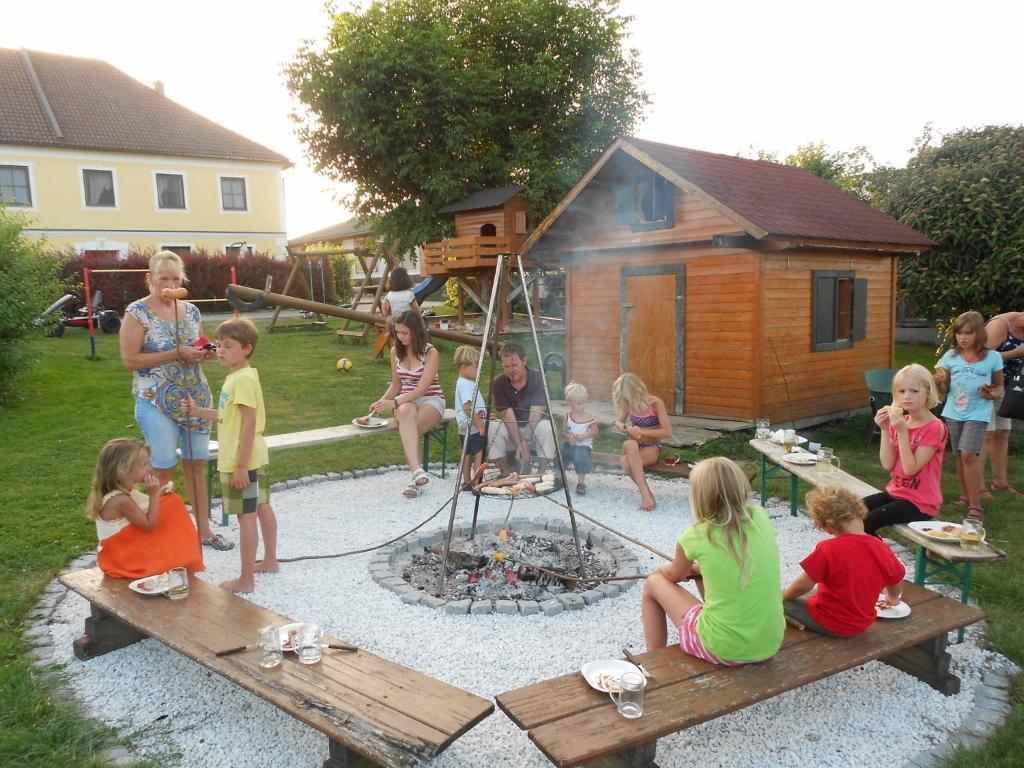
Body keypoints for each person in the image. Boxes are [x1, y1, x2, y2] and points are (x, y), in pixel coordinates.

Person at [119, 250, 233, 551]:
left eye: (175, 278)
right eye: (163, 278)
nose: (169, 283)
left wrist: (206, 350)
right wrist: (176, 353)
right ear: (150, 279)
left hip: (194, 397)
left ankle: (204, 532)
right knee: (163, 468)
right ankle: (160, 530)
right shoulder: (137, 312)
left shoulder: (191, 310)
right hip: (155, 400)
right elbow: (130, 359)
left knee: (196, 465)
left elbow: (198, 342)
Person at [641, 457, 785, 664]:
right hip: (770, 642)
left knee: (653, 584)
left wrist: (660, 570)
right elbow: (734, 558)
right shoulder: (759, 516)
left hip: (724, 649)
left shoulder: (696, 535)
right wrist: (697, 569)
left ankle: (651, 662)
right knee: (701, 572)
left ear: (699, 497)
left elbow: (674, 575)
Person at [184, 318, 278, 593]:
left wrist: (239, 466)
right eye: (220, 345)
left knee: (245, 516)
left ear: (247, 349)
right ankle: (269, 561)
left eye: (228, 346)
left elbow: (248, 424)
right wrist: (199, 412)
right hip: (253, 456)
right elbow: (229, 417)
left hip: (242, 459)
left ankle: (246, 579)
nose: (220, 351)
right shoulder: (239, 377)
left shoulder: (243, 380)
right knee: (261, 507)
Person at [783, 486, 905, 637]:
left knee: (777, 599)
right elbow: (895, 580)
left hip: (830, 622)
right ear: (861, 511)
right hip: (862, 623)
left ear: (826, 527)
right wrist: (892, 598)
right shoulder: (881, 547)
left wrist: (782, 596)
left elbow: (803, 585)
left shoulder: (828, 549)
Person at [87, 438, 204, 579]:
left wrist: (159, 494)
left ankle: (180, 556)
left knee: (171, 502)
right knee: (173, 506)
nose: (149, 468)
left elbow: (144, 509)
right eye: (143, 465)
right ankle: (181, 557)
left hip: (123, 550)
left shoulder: (122, 492)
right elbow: (150, 525)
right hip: (122, 560)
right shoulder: (120, 500)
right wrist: (153, 494)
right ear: (123, 469)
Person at [935, 311, 1004, 520]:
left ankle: (976, 506)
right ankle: (966, 496)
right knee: (959, 455)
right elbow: (945, 388)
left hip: (978, 412)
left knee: (967, 454)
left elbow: (999, 385)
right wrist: (940, 382)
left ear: (979, 334)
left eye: (968, 333)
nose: (962, 338)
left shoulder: (993, 357)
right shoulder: (950, 356)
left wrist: (992, 393)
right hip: (953, 412)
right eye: (959, 333)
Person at [863, 363, 947, 535]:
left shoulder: (934, 427)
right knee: (851, 512)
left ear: (928, 393)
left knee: (866, 522)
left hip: (920, 503)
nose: (907, 397)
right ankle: (871, 557)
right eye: (902, 391)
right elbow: (887, 464)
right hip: (895, 492)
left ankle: (883, 561)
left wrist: (902, 433)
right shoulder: (900, 422)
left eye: (914, 391)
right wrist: (886, 429)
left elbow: (910, 469)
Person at [371, 311, 445, 497]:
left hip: (431, 398)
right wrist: (381, 402)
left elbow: (422, 389)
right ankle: (417, 473)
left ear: (415, 331)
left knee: (410, 428)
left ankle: (414, 478)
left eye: (404, 333)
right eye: (397, 333)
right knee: (405, 413)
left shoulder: (430, 353)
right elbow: (397, 384)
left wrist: (393, 402)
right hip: (405, 401)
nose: (400, 337)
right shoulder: (396, 351)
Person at [487, 342, 556, 476]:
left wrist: (525, 441)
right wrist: (520, 444)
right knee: (492, 427)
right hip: (512, 428)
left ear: (524, 361)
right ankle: (506, 472)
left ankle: (541, 473)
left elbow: (536, 413)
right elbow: (508, 416)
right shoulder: (499, 383)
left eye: (514, 365)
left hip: (534, 428)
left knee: (548, 426)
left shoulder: (538, 378)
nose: (510, 370)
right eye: (506, 366)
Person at [612, 373, 673, 511]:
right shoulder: (629, 405)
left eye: (628, 399)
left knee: (624, 462)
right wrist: (620, 425)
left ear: (636, 391)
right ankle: (646, 493)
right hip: (634, 446)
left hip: (652, 447)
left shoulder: (655, 403)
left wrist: (642, 432)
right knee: (629, 444)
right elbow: (619, 420)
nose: (627, 403)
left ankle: (646, 494)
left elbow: (667, 432)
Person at [980, 311, 1024, 498]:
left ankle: (1000, 482)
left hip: (1007, 386)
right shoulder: (1002, 324)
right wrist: (1016, 353)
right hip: (985, 386)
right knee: (986, 435)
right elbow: (979, 357)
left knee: (1002, 433)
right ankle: (978, 486)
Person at [453, 345, 486, 489]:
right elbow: (468, 408)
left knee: (467, 453)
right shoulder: (466, 385)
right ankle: (477, 483)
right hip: (472, 425)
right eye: (475, 366)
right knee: (478, 453)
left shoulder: (461, 382)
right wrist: (480, 425)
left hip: (463, 425)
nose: (478, 369)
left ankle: (466, 481)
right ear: (464, 366)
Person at [561, 381, 597, 496]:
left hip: (584, 446)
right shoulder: (567, 416)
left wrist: (583, 436)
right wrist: (569, 437)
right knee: (561, 454)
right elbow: (563, 432)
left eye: (584, 403)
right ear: (570, 402)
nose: (582, 406)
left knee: (581, 456)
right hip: (571, 444)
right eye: (579, 403)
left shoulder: (589, 416)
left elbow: (595, 431)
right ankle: (559, 477)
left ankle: (581, 483)